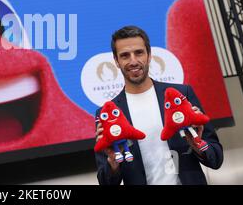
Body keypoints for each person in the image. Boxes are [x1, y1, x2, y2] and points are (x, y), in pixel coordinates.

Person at [94, 26, 223, 185]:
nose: (133, 61)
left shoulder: (181, 95)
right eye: (125, 55)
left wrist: (197, 144)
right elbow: (105, 182)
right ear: (116, 61)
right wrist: (113, 162)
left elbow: (216, 159)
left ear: (149, 55)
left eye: (139, 53)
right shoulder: (108, 114)